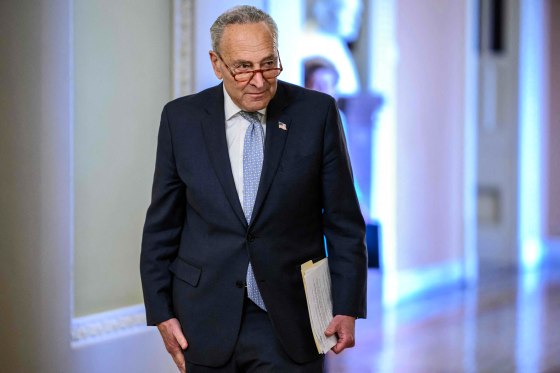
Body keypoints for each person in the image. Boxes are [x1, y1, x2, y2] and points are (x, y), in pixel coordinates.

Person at [140, 5, 367, 372]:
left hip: (292, 320)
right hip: (204, 316)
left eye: (268, 64)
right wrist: (161, 313)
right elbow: (162, 226)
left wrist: (347, 306)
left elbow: (343, 221)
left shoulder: (316, 113)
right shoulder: (181, 120)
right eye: (243, 67)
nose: (259, 80)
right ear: (217, 64)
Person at [300, 0, 364, 95]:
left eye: (357, 12)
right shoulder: (306, 41)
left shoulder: (338, 44)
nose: (356, 19)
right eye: (346, 10)